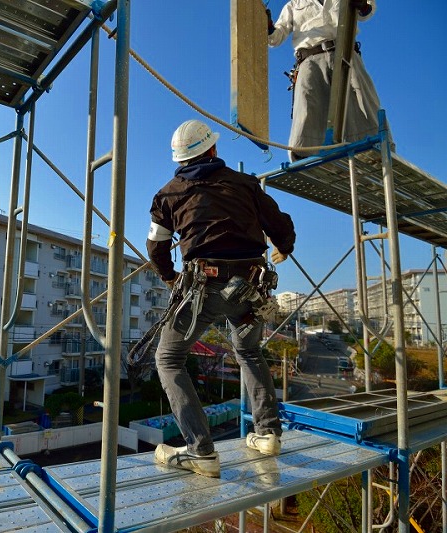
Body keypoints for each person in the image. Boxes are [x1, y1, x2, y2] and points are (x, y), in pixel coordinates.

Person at [147, 119, 296, 478]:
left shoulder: (168, 194)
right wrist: (284, 247)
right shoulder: (246, 184)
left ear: (180, 160)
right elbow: (281, 223)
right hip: (253, 287)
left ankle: (201, 452)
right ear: (213, 149)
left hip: (204, 288)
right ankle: (267, 434)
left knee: (168, 359)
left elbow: (157, 247)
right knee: (247, 351)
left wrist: (170, 277)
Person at [267, 0, 389, 161]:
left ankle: (375, 152)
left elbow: (366, 11)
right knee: (308, 104)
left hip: (346, 53)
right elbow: (275, 38)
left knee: (361, 101)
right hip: (310, 59)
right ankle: (306, 157)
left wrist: (363, 5)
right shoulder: (293, 5)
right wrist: (267, 25)